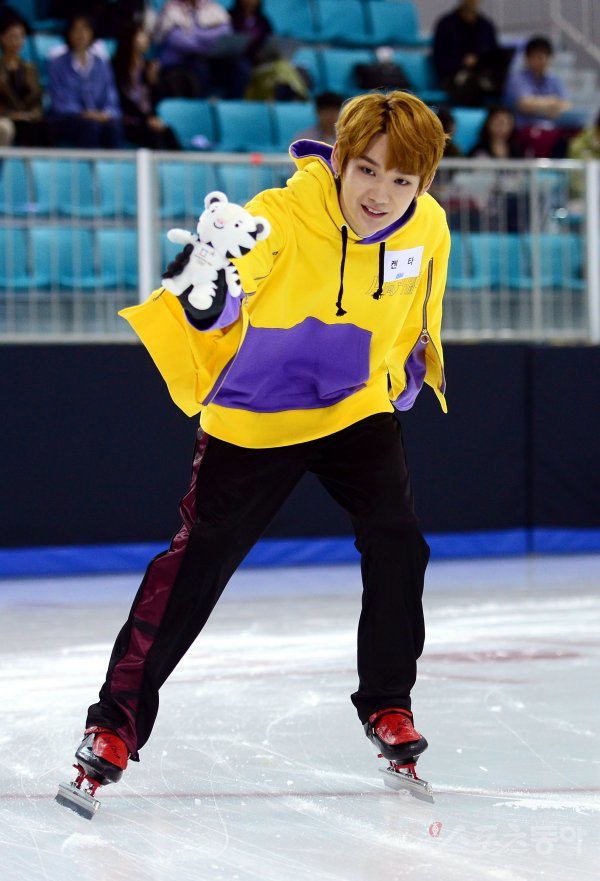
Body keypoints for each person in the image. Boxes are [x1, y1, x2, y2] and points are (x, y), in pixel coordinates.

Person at [59, 90, 450, 815]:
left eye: (403, 180)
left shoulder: (428, 224)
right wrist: (205, 288)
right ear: (340, 160)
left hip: (352, 405)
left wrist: (402, 379)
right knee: (197, 562)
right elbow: (226, 284)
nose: (381, 194)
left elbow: (420, 305)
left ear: (424, 183)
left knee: (398, 538)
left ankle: (387, 704)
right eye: (368, 170)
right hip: (255, 416)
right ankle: (113, 724)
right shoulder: (281, 212)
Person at [47, 14, 123, 148]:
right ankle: (88, 162)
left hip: (96, 117)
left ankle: (114, 162)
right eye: (76, 30)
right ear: (69, 34)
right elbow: (60, 101)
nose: (81, 35)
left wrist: (106, 113)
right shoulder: (57, 64)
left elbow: (110, 96)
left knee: (113, 126)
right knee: (91, 126)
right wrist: (84, 114)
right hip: (67, 118)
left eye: (85, 30)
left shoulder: (101, 64)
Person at [153, 0, 249, 99]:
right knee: (200, 67)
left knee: (241, 66)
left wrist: (194, 34)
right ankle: (201, 106)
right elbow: (178, 39)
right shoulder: (171, 9)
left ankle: (233, 105)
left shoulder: (213, 8)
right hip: (182, 61)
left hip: (213, 58)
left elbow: (226, 32)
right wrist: (209, 39)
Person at [112, 24, 180, 150]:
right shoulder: (115, 67)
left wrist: (154, 82)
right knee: (155, 136)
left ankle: (178, 163)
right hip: (126, 120)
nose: (146, 39)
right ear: (130, 38)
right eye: (141, 35)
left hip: (146, 119)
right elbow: (120, 100)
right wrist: (146, 119)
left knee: (168, 132)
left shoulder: (148, 66)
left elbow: (157, 100)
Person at [503, 35, 574, 158]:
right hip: (525, 129)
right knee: (538, 136)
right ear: (527, 58)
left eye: (546, 56)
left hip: (551, 129)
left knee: (572, 134)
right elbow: (524, 104)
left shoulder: (554, 80)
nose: (543, 60)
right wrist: (552, 103)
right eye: (538, 57)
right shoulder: (517, 79)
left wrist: (539, 106)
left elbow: (567, 106)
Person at [432, 0, 512, 106]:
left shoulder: (486, 25)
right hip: (454, 75)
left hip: (483, 72)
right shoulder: (446, 24)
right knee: (470, 83)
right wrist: (463, 63)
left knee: (506, 79)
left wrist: (478, 60)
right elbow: (440, 58)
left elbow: (493, 55)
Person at [0, 17, 48, 146]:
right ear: (2, 38)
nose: (16, 41)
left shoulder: (31, 68)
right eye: (12, 36)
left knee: (43, 126)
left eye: (20, 37)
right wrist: (12, 115)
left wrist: (31, 114)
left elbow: (37, 100)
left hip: (27, 117)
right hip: (5, 117)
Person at [229, 0, 272, 65]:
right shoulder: (229, 17)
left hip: (260, 60)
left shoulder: (263, 21)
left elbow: (270, 40)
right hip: (236, 60)